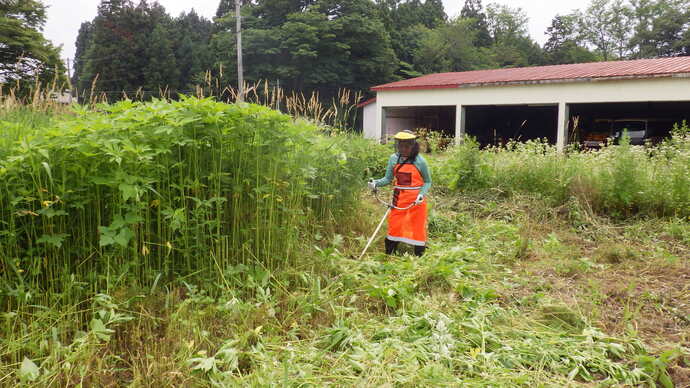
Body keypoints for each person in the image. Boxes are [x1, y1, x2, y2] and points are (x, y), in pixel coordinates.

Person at [368, 130, 432, 256]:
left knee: (417, 225)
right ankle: (390, 253)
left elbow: (428, 181)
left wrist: (421, 194)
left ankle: (419, 254)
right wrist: (375, 183)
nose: (403, 149)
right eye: (400, 146)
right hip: (399, 198)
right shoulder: (393, 159)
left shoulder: (420, 161)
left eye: (406, 146)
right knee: (395, 224)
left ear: (413, 145)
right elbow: (387, 179)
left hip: (416, 200)